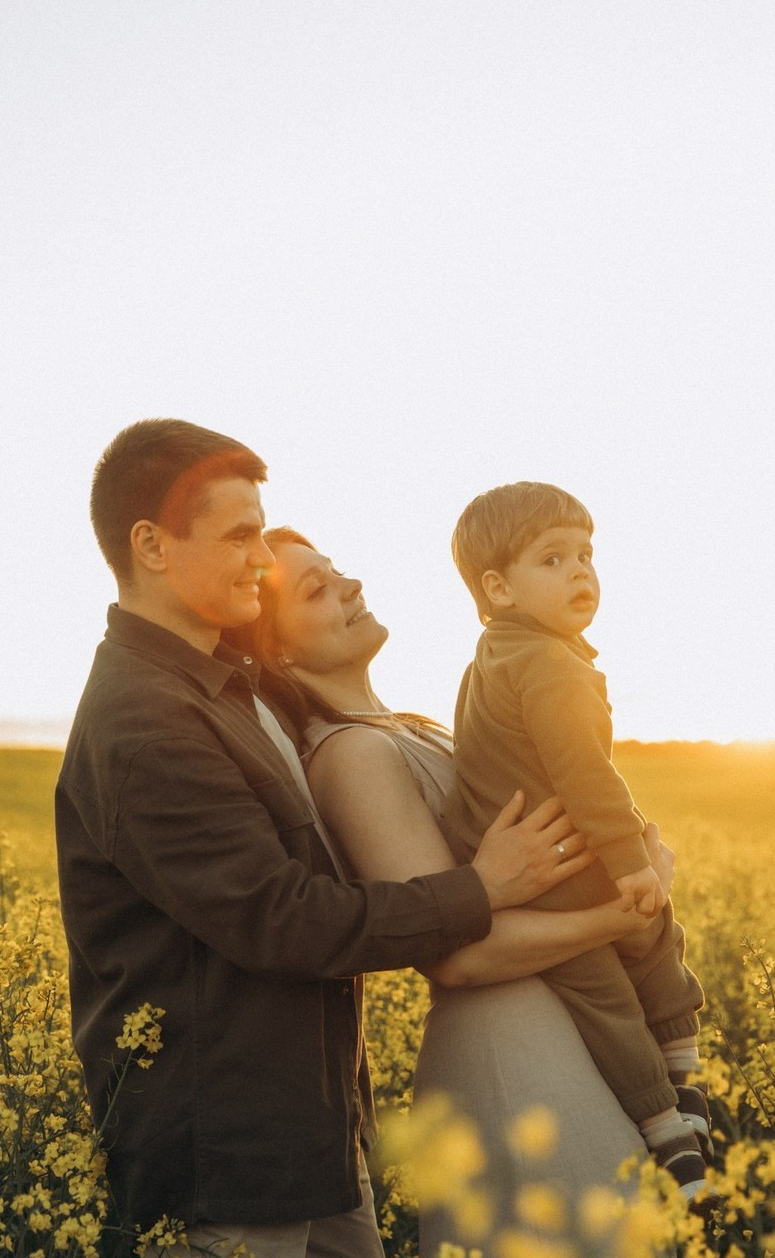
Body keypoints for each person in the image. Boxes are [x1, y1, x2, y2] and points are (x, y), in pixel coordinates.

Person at [55, 420, 590, 1258]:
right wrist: (480, 890)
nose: (260, 561)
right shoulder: (145, 720)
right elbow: (284, 921)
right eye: (239, 537)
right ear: (152, 545)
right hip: (225, 1165)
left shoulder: (224, 688)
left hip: (310, 1138)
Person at [231, 527, 669, 1254]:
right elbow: (456, 958)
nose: (349, 584)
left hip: (560, 1025)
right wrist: (618, 915)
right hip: (508, 1047)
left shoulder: (410, 727)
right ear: (277, 651)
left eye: (337, 569)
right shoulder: (352, 755)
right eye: (316, 589)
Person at [441, 481, 714, 1202]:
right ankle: (683, 1089)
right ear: (497, 587)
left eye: (586, 554)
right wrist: (630, 864)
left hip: (530, 866)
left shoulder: (491, 658)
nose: (580, 572)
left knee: (603, 996)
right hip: (570, 861)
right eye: (553, 558)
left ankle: (668, 1134)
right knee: (653, 937)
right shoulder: (552, 665)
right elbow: (586, 774)